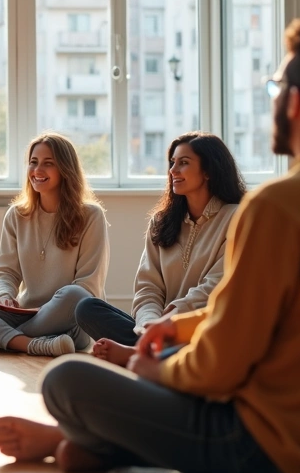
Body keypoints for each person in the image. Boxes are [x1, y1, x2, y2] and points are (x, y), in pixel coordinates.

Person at [0, 16, 300, 473]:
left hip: (281, 450)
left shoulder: (277, 205)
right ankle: (90, 445)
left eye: (276, 85)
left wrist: (151, 366)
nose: (273, 97)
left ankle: (73, 439)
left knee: (66, 378)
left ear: (294, 102)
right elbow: (285, 321)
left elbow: (222, 364)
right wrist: (179, 326)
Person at [76, 132, 246, 366]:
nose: (173, 170)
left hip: (202, 326)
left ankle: (137, 355)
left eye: (183, 163)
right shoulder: (161, 221)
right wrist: (149, 324)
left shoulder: (237, 217)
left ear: (208, 171)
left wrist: (170, 321)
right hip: (157, 329)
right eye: (172, 163)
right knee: (86, 308)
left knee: (222, 332)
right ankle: (152, 353)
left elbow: (216, 288)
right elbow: (148, 287)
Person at [0, 133, 109, 357]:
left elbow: (88, 286)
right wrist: (4, 295)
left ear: (66, 169)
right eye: (33, 162)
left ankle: (1, 339)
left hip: (71, 318)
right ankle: (31, 344)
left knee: (74, 294)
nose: (37, 170)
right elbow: (6, 272)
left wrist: (46, 311)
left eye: (48, 163)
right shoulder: (16, 215)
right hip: (27, 313)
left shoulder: (91, 215)